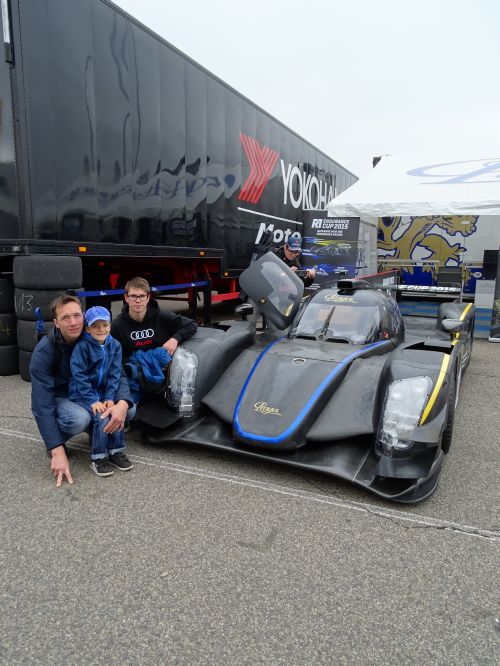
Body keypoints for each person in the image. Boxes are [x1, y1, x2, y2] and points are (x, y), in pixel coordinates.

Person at [30, 295, 135, 487]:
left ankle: (104, 439)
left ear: (84, 317)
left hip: (94, 392)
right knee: (79, 419)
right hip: (64, 396)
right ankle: (61, 438)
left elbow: (117, 373)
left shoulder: (100, 338)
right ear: (56, 323)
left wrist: (121, 402)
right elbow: (41, 402)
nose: (72, 322)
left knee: (128, 410)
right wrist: (56, 448)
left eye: (77, 315)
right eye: (65, 318)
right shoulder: (44, 352)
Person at [69, 306, 133, 477]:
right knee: (101, 416)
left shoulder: (115, 345)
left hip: (104, 393)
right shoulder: (81, 347)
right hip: (82, 393)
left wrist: (110, 398)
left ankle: (116, 451)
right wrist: (92, 400)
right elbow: (79, 376)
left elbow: (114, 374)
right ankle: (98, 457)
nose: (101, 329)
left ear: (110, 325)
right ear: (87, 329)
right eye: (95, 326)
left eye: (104, 325)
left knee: (115, 411)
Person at [111, 275, 197, 375]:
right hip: (134, 376)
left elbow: (191, 324)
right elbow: (114, 359)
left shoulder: (161, 316)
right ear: (126, 298)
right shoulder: (117, 326)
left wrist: (175, 339)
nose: (138, 300)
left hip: (161, 371)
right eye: (133, 296)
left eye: (142, 296)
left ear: (148, 297)